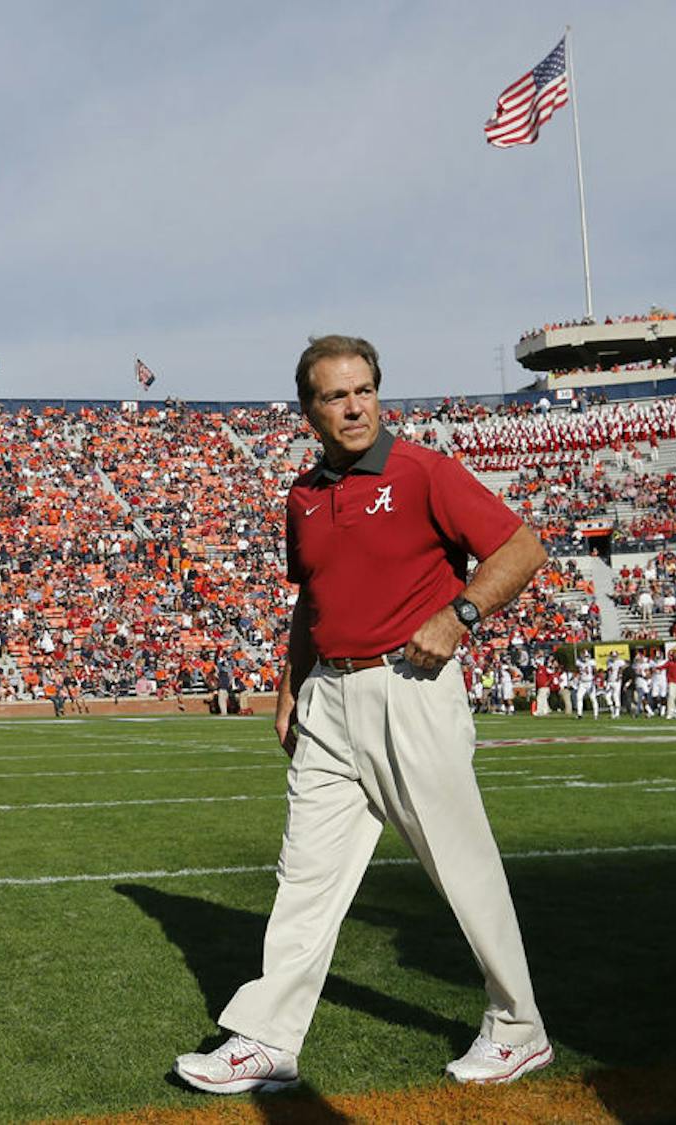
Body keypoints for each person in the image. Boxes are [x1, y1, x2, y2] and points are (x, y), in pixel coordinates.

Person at [174, 336, 551, 1094]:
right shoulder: (304, 494)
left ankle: (519, 1028)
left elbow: (521, 545)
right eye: (335, 395)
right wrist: (290, 687)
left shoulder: (421, 470)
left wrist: (461, 615)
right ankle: (268, 1037)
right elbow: (312, 599)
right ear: (308, 408)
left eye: (363, 390)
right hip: (328, 700)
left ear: (378, 393)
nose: (353, 406)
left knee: (461, 866)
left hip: (409, 686)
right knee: (304, 874)